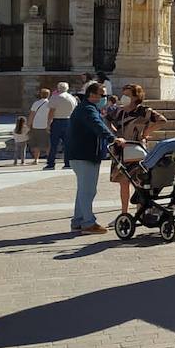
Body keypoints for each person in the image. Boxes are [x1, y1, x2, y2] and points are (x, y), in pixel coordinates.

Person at [68, 82, 124, 235]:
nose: (104, 98)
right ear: (93, 95)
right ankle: (88, 223)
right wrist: (113, 139)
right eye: (103, 95)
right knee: (88, 191)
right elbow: (97, 125)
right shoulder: (88, 110)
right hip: (85, 154)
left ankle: (78, 221)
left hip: (79, 154)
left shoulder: (86, 108)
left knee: (83, 190)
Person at [108, 84, 165, 221]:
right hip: (120, 149)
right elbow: (106, 120)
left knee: (139, 181)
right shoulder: (119, 111)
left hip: (137, 149)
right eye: (124, 93)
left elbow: (162, 120)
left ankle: (140, 212)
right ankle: (124, 213)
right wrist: (115, 134)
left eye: (127, 94)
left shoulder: (144, 111)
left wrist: (146, 132)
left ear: (136, 96)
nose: (124, 97)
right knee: (123, 182)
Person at [45, 82, 79, 170]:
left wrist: (48, 123)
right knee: (68, 144)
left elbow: (51, 112)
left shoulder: (55, 97)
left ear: (58, 88)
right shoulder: (72, 98)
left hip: (57, 121)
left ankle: (51, 163)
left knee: (54, 144)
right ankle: (67, 163)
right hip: (68, 121)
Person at [28, 88, 52, 165]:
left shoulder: (36, 103)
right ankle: (49, 159)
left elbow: (32, 115)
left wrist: (29, 124)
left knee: (36, 143)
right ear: (48, 95)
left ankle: (36, 159)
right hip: (46, 125)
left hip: (36, 125)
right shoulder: (50, 104)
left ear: (41, 94)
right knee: (47, 143)